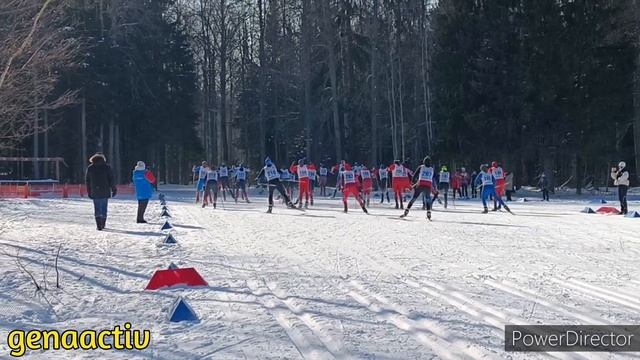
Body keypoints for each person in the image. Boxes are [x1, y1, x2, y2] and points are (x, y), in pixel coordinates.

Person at [85, 153, 117, 230]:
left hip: (94, 190)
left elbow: (87, 180)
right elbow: (111, 179)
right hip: (105, 190)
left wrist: (89, 191)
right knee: (104, 207)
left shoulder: (90, 168)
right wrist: (113, 189)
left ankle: (98, 225)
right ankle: (103, 223)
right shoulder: (107, 167)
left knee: (97, 208)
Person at [401, 156, 434, 220]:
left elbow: (415, 175)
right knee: (427, 199)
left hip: (420, 184)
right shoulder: (431, 169)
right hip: (428, 184)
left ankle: (407, 211)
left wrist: (413, 182)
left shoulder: (421, 167)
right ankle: (428, 212)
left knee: (414, 198)